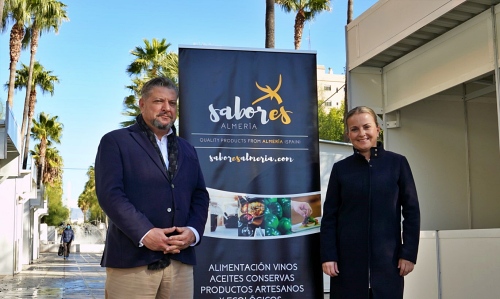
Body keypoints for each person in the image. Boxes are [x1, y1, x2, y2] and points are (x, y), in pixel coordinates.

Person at [95, 77, 210, 298]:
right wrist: (145, 233)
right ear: (142, 104)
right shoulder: (116, 141)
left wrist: (193, 232)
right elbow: (111, 195)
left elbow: (199, 196)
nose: (167, 108)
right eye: (159, 101)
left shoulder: (188, 149)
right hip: (132, 262)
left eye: (172, 103)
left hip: (180, 260)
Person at [320, 106, 420, 299]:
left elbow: (412, 211)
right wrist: (329, 255)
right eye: (354, 129)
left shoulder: (397, 164)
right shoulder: (341, 169)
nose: (361, 133)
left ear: (377, 129)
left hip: (389, 263)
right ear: (348, 134)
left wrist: (408, 253)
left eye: (367, 127)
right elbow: (330, 216)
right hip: (347, 265)